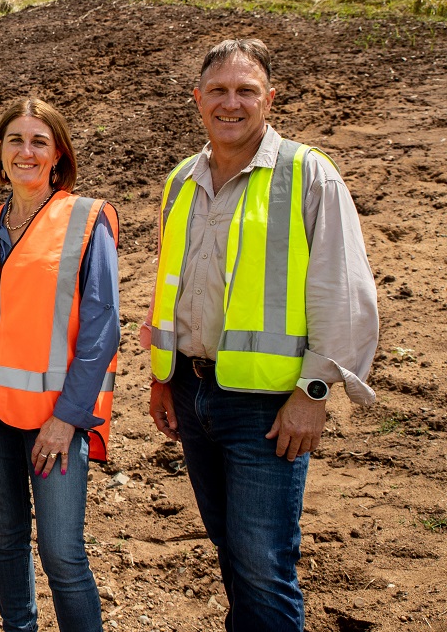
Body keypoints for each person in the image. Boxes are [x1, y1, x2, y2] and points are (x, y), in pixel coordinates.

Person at [142, 39, 379, 631]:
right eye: (218, 90)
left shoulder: (307, 174)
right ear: (197, 99)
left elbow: (343, 292)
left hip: (269, 408)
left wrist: (314, 393)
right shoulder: (180, 180)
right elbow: (175, 288)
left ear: (269, 99)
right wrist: (163, 378)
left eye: (246, 91)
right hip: (193, 392)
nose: (232, 103)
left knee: (263, 565)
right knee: (231, 551)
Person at [0, 98, 119, 632]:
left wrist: (67, 419)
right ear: (0, 150)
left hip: (54, 423)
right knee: (7, 541)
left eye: (40, 141)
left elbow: (102, 329)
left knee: (63, 554)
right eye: (15, 140)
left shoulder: (86, 220)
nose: (26, 151)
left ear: (58, 154)